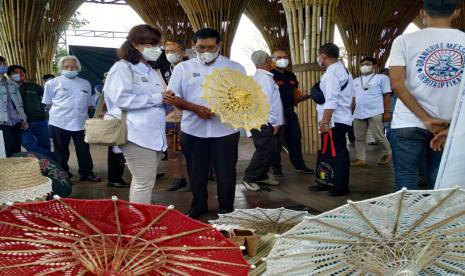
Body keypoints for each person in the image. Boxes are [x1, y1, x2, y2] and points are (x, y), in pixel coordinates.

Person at [164, 28, 246, 219]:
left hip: (225, 130)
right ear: (194, 46)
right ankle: (198, 205)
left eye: (211, 47)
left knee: (226, 171)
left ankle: (227, 208)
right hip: (192, 129)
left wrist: (234, 103)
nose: (206, 51)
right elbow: (172, 97)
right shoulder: (183, 68)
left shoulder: (235, 68)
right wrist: (194, 108)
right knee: (196, 172)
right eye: (201, 47)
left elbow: (244, 97)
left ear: (219, 46)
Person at [389, 0, 465, 190]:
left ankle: (406, 219)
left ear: (422, 13)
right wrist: (452, 126)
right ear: (456, 12)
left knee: (406, 178)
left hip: (407, 122)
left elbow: (396, 83)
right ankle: (437, 219)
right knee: (440, 180)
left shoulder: (403, 41)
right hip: (447, 125)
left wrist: (426, 119)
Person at [104, 24, 167, 203]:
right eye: (149, 44)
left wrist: (168, 101)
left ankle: (139, 219)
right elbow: (122, 99)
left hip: (153, 135)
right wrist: (157, 98)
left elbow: (158, 99)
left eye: (156, 45)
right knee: (143, 182)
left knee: (144, 181)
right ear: (134, 44)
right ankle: (140, 225)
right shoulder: (122, 68)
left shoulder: (151, 71)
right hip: (135, 133)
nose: (154, 49)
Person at [42, 55, 101, 182]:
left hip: (80, 122)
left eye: (73, 67)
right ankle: (63, 175)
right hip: (59, 122)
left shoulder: (85, 83)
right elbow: (48, 104)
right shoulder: (52, 83)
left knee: (83, 149)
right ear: (61, 68)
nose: (70, 69)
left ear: (78, 68)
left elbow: (89, 104)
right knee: (61, 151)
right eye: (66, 67)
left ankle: (86, 173)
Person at [310, 43, 353, 197]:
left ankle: (340, 186)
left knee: (337, 153)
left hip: (334, 121)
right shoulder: (346, 72)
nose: (318, 59)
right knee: (327, 152)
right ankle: (325, 181)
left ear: (323, 56)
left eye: (319, 56)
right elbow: (352, 99)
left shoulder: (331, 74)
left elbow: (332, 100)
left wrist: (324, 122)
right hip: (342, 118)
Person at [242, 51, 284, 191]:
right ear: (267, 60)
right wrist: (274, 122)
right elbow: (265, 103)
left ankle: (262, 176)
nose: (273, 61)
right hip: (264, 122)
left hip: (262, 121)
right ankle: (250, 177)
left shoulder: (261, 77)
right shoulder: (264, 79)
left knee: (269, 149)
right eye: (271, 59)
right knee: (264, 150)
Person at [271, 50, 314, 177]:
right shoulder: (269, 75)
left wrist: (307, 96)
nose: (282, 59)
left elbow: (295, 95)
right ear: (272, 59)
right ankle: (276, 168)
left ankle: (300, 165)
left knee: (295, 139)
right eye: (279, 57)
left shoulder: (291, 76)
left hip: (290, 113)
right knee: (275, 144)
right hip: (275, 115)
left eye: (285, 57)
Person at [351, 57, 392, 167]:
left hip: (375, 111)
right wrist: (351, 112)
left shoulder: (382, 78)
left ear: (374, 66)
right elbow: (353, 99)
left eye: (367, 63)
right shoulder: (355, 81)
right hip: (358, 112)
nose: (364, 66)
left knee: (378, 135)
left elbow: (387, 95)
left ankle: (388, 153)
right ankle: (360, 159)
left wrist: (387, 112)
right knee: (358, 137)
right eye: (362, 64)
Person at [160, 40, 189, 192]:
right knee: (174, 150)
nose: (170, 54)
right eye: (167, 51)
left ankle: (195, 178)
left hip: (190, 119)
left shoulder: (190, 69)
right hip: (171, 119)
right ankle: (179, 178)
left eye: (174, 50)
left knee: (192, 152)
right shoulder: (161, 72)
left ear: (183, 52)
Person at [7, 65, 52, 158]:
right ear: (9, 75)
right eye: (16, 72)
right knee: (28, 143)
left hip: (40, 120)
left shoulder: (33, 86)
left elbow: (48, 98)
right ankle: (50, 158)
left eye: (22, 72)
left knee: (45, 143)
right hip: (21, 122)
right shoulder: (6, 88)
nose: (19, 74)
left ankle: (46, 166)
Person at [0, 56, 28, 157]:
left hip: (15, 121)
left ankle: (15, 172)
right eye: (0, 64)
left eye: (4, 64)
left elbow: (19, 104)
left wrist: (23, 119)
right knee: (7, 149)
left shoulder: (11, 84)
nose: (3, 66)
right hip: (2, 122)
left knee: (16, 148)